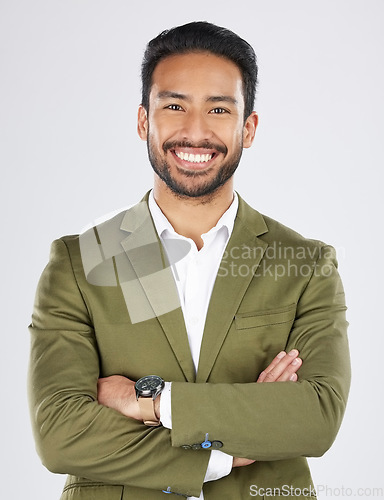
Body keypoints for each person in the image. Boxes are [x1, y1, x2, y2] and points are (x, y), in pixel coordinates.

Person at [28, 21, 351, 500]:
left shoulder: (305, 264)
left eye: (218, 109)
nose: (195, 131)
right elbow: (59, 433)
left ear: (249, 127)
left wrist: (151, 403)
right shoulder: (80, 262)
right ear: (144, 121)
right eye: (174, 105)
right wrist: (224, 453)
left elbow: (316, 418)